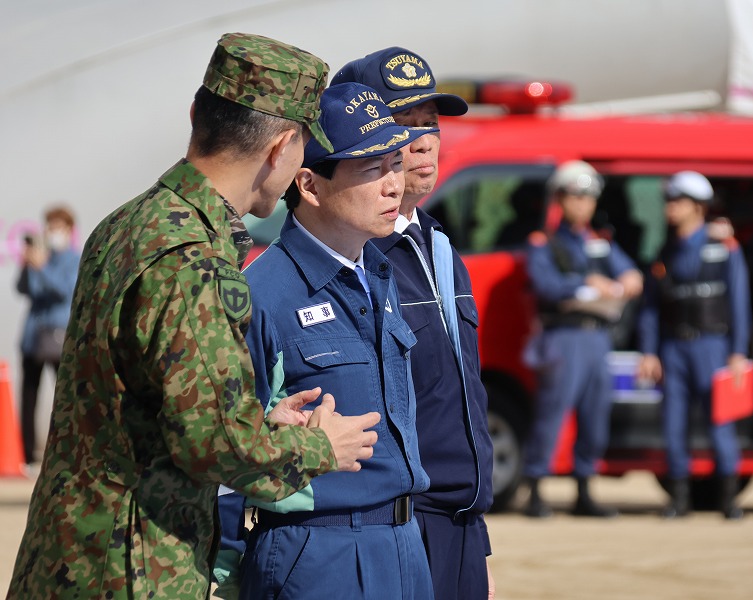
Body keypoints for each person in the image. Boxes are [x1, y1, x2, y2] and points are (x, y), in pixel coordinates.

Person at [7, 33, 382, 600]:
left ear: (196, 115)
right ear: (281, 146)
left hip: (70, 557)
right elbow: (214, 445)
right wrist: (321, 446)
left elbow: (148, 406)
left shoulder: (128, 222)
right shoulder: (193, 259)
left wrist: (259, 425)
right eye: (304, 147)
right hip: (131, 571)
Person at [215, 82, 437, 600]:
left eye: (395, 164)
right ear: (310, 185)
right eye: (372, 169)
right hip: (316, 552)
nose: (394, 185)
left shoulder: (378, 275)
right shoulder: (260, 296)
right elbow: (220, 449)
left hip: (404, 544)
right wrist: (225, 571)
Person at [330, 47, 496, 599]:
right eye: (404, 123)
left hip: (460, 526)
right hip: (394, 526)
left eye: (431, 124)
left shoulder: (440, 248)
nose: (424, 141)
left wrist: (474, 536)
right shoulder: (353, 257)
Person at [521, 160, 643, 518]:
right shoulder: (544, 242)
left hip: (597, 338)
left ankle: (585, 489)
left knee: (595, 414)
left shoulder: (598, 242)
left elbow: (628, 272)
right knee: (551, 413)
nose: (583, 203)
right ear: (560, 198)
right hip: (563, 336)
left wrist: (631, 277)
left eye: (589, 197)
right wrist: (584, 283)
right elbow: (544, 285)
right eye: (576, 196)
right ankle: (535, 490)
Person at [636, 170, 751, 520]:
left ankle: (729, 499)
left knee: (720, 421)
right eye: (669, 200)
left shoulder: (723, 248)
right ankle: (679, 499)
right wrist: (649, 351)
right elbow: (651, 308)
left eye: (678, 201)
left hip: (713, 346)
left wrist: (738, 352)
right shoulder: (666, 251)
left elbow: (739, 302)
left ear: (698, 207)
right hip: (674, 347)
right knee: (673, 423)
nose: (670, 207)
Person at [15, 205, 80, 467]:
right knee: (29, 397)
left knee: (64, 397)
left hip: (58, 337)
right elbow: (23, 289)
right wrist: (27, 266)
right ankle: (28, 456)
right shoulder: (43, 255)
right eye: (49, 227)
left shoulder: (74, 259)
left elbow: (65, 291)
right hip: (33, 337)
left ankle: (66, 451)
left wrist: (42, 268)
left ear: (69, 229)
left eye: (56, 227)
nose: (52, 232)